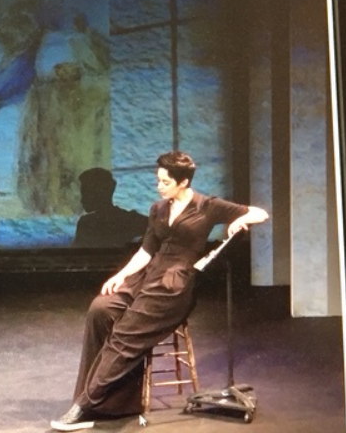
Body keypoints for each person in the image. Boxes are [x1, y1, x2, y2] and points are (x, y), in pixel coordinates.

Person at [51, 150, 269, 431]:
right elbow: (146, 251)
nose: (159, 186)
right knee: (100, 310)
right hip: (147, 278)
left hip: (174, 286)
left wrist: (239, 220)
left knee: (124, 336)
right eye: (158, 180)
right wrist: (121, 275)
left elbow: (260, 213)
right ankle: (114, 405)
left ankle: (85, 405)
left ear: (184, 182)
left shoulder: (207, 206)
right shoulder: (158, 209)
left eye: (165, 182)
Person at [72, 168, 148, 248]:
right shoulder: (131, 219)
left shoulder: (86, 223)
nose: (82, 200)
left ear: (97, 193)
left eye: (85, 193)